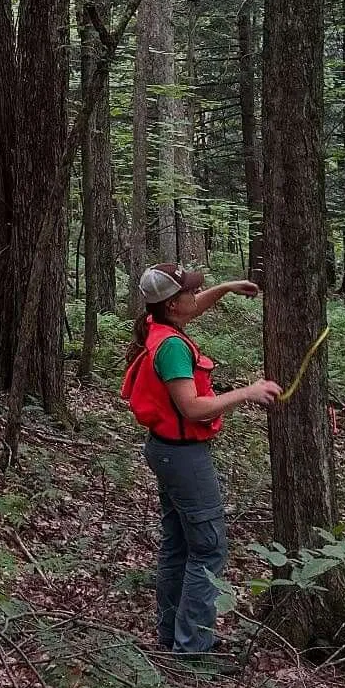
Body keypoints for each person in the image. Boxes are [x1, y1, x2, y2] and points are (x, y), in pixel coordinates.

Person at [122, 262, 280, 658]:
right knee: (208, 549)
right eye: (189, 292)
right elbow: (192, 408)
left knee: (178, 544)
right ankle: (192, 649)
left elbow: (193, 307)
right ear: (173, 304)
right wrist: (249, 391)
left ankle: (173, 636)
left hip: (167, 452)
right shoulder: (172, 347)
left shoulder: (158, 325)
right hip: (183, 457)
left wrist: (226, 287)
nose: (196, 297)